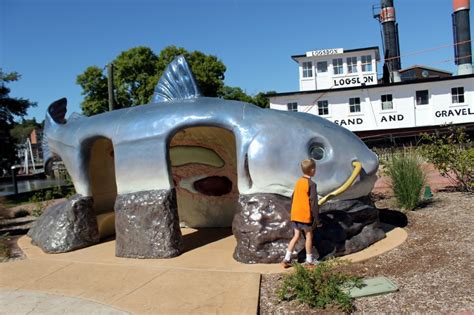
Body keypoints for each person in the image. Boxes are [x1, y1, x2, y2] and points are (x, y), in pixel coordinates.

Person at [281, 159, 320, 268]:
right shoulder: (311, 184)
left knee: (296, 236)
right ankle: (309, 260)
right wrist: (317, 219)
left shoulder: (298, 182)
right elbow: (313, 203)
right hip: (304, 215)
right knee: (309, 236)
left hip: (295, 214)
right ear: (312, 170)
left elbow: (293, 197)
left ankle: (286, 258)